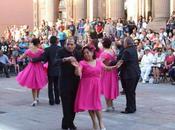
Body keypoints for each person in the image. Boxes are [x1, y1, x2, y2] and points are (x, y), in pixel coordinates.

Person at [74, 46, 111, 130]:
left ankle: (101, 123)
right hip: (86, 86)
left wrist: (116, 66)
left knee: (97, 105)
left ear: (92, 52)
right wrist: (77, 68)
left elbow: (106, 68)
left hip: (96, 86)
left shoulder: (98, 61)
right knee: (90, 105)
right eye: (84, 53)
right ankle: (94, 123)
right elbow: (78, 73)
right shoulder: (82, 62)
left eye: (88, 52)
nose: (86, 54)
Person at [56, 37, 82, 130]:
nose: (70, 46)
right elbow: (55, 62)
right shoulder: (61, 52)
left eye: (72, 44)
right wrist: (66, 59)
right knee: (66, 104)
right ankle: (71, 125)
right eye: (68, 44)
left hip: (76, 82)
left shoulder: (78, 53)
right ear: (65, 45)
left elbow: (84, 62)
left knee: (73, 104)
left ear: (75, 45)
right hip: (64, 82)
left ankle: (65, 123)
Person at [16, 38, 47, 106]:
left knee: (33, 84)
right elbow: (44, 57)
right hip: (39, 67)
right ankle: (37, 97)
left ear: (32, 43)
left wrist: (18, 58)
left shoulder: (28, 51)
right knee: (39, 82)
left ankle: (34, 100)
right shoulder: (41, 51)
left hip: (31, 67)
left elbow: (21, 58)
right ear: (38, 43)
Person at [32, 36, 61, 105]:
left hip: (51, 70)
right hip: (58, 70)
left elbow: (43, 58)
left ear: (50, 42)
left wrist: (34, 60)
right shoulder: (60, 48)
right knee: (57, 86)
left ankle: (51, 101)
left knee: (50, 86)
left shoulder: (47, 49)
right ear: (56, 41)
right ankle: (57, 100)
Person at [117, 36, 140, 114]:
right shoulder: (133, 49)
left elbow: (122, 62)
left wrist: (113, 66)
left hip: (129, 74)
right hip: (135, 73)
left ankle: (129, 108)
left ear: (127, 43)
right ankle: (133, 107)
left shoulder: (127, 51)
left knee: (128, 92)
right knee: (132, 92)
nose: (123, 44)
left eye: (124, 42)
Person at [100, 38, 119, 111]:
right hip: (113, 72)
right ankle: (111, 105)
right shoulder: (112, 51)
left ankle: (108, 106)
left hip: (106, 72)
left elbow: (100, 63)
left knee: (106, 88)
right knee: (110, 87)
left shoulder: (104, 53)